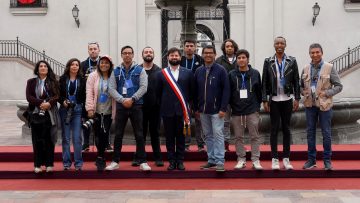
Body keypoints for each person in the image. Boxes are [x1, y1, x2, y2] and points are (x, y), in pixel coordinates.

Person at [106, 45, 151, 171]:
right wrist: (122, 100)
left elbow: (144, 87)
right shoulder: (115, 71)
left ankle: (143, 161)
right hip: (121, 106)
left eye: (129, 53)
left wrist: (132, 99)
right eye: (124, 53)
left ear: (133, 55)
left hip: (136, 105)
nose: (127, 55)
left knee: (139, 134)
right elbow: (111, 88)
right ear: (121, 55)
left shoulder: (140, 70)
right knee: (118, 134)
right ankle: (115, 161)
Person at [301, 43, 343, 170]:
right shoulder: (305, 68)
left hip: (324, 105)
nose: (315, 55)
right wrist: (304, 92)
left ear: (322, 53)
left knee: (326, 133)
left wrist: (327, 93)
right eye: (312, 52)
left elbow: (339, 86)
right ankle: (311, 160)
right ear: (309, 54)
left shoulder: (329, 67)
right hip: (310, 105)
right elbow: (300, 86)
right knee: (310, 133)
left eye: (317, 52)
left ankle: (327, 161)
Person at [262, 36, 300, 170]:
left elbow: (296, 79)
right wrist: (265, 100)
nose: (279, 45)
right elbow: (265, 81)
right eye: (277, 43)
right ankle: (274, 159)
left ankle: (286, 158)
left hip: (287, 99)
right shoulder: (268, 61)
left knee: (286, 129)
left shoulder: (292, 61)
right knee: (273, 129)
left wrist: (297, 98)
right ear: (274, 45)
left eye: (282, 43)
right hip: (274, 100)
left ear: (285, 45)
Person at [157, 47, 194, 171]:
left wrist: (191, 108)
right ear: (168, 58)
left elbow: (191, 92)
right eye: (171, 55)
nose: (174, 57)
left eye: (176, 55)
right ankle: (171, 161)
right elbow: (158, 93)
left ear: (180, 57)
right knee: (169, 138)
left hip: (182, 111)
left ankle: (180, 161)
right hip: (167, 111)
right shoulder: (161, 74)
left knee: (181, 137)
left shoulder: (188, 73)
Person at [195, 45, 230, 172]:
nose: (208, 55)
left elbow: (226, 90)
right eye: (206, 53)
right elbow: (196, 91)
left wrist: (223, 108)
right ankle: (211, 160)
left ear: (215, 55)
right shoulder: (199, 71)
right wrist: (196, 108)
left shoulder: (221, 70)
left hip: (217, 111)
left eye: (210, 53)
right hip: (203, 110)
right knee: (208, 135)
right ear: (202, 55)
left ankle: (220, 161)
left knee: (218, 135)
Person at [229, 49, 263, 170]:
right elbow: (229, 92)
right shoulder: (232, 74)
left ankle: (255, 160)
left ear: (247, 59)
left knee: (254, 136)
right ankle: (241, 159)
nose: (241, 60)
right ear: (236, 60)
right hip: (237, 111)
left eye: (243, 58)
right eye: (239, 58)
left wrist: (257, 107)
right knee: (238, 137)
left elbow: (259, 91)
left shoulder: (255, 73)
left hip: (252, 110)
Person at [26, 60, 59, 173]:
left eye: (45, 66)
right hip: (35, 114)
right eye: (41, 66)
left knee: (49, 140)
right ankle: (37, 165)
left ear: (48, 69)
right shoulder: (31, 82)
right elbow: (29, 97)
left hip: (49, 115)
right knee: (37, 140)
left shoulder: (53, 82)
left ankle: (49, 164)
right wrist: (41, 103)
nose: (43, 68)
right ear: (37, 69)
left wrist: (49, 104)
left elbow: (56, 96)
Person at [80, 42, 112, 152]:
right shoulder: (83, 65)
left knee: (105, 123)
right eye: (90, 49)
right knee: (87, 120)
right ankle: (86, 143)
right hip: (88, 96)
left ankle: (107, 143)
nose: (93, 51)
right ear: (88, 51)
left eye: (95, 49)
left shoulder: (105, 63)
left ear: (99, 50)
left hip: (104, 97)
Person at [85, 55, 116, 171]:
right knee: (97, 134)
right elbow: (89, 92)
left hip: (108, 110)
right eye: (102, 62)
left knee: (105, 132)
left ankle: (100, 156)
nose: (104, 65)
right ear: (99, 64)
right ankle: (100, 155)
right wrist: (90, 108)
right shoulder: (93, 76)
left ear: (110, 65)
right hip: (96, 110)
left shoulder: (113, 76)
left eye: (106, 63)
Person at [58, 58, 86, 171]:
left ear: (79, 67)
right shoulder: (62, 79)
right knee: (66, 138)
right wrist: (63, 101)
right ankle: (66, 163)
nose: (75, 66)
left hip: (78, 109)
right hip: (65, 109)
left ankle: (78, 164)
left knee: (77, 138)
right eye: (72, 64)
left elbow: (84, 96)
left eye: (77, 65)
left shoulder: (82, 80)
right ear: (68, 66)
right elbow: (58, 94)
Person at [180, 39, 205, 152]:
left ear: (195, 47)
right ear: (184, 48)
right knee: (186, 120)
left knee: (200, 120)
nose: (189, 48)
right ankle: (186, 144)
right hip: (185, 95)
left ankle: (201, 144)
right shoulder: (180, 60)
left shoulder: (200, 60)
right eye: (187, 46)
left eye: (191, 46)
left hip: (198, 95)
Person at [140, 46, 164, 167]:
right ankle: (139, 157)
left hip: (155, 107)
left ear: (154, 55)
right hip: (139, 107)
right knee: (140, 133)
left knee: (155, 133)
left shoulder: (160, 71)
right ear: (142, 54)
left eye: (150, 52)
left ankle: (158, 157)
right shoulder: (137, 69)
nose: (148, 54)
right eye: (146, 52)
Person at [215, 39, 239, 151]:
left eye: (231, 46)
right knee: (225, 122)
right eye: (227, 46)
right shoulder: (219, 61)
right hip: (224, 96)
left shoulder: (240, 59)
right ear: (224, 48)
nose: (229, 48)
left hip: (238, 95)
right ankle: (225, 144)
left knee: (239, 121)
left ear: (234, 48)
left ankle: (240, 144)